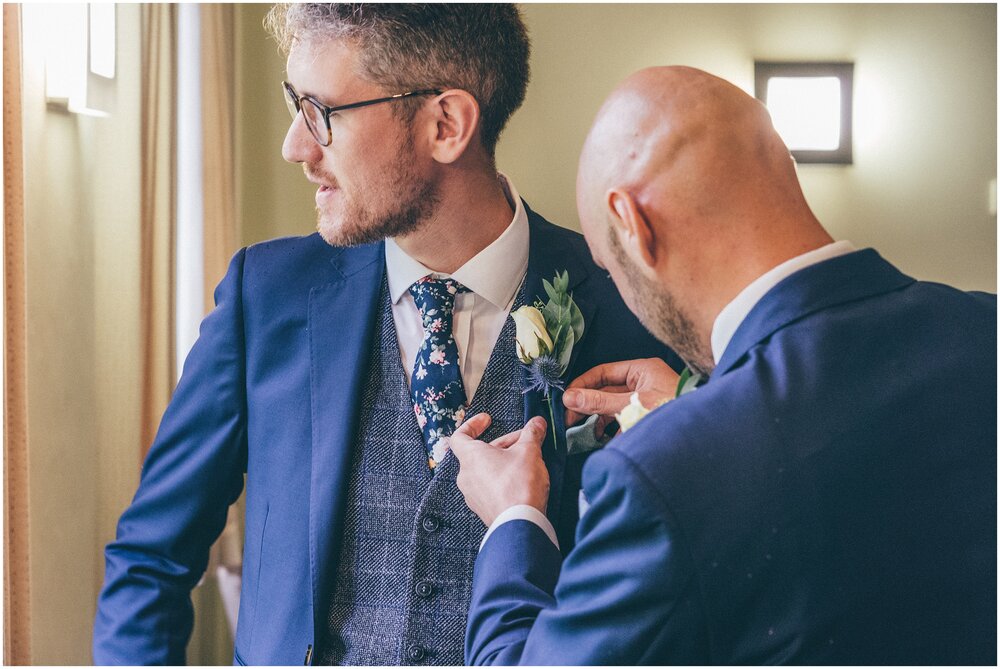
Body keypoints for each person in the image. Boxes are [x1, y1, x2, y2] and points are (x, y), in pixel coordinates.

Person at [92, 6, 677, 665]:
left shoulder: (627, 308)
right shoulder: (268, 295)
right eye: (295, 105)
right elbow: (149, 559)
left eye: (321, 112)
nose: (295, 145)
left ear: (446, 124)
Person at [451, 65, 997, 664]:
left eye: (610, 269)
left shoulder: (658, 477)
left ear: (633, 226)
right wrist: (699, 406)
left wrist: (514, 519)